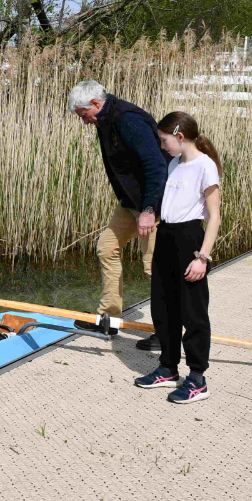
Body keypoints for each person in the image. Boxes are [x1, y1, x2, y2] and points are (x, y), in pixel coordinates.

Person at [68, 80, 171, 349]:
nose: (84, 122)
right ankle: (108, 320)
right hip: (130, 203)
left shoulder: (129, 120)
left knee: (154, 268)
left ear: (95, 104)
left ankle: (167, 332)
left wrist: (149, 210)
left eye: (83, 115)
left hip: (154, 205)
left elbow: (156, 166)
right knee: (106, 248)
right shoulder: (105, 120)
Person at [133, 111, 222, 404]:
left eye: (164, 140)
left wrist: (203, 257)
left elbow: (214, 217)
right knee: (163, 307)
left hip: (189, 241)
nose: (162, 146)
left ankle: (197, 378)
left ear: (180, 137)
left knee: (192, 312)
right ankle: (168, 368)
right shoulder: (174, 163)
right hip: (167, 236)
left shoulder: (205, 166)